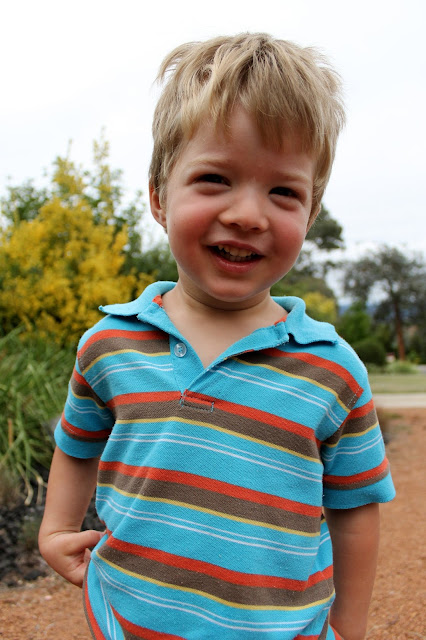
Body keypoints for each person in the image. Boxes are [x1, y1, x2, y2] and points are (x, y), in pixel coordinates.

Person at [39, 33, 395, 640]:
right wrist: (54, 529)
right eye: (214, 178)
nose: (248, 215)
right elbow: (77, 443)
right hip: (128, 618)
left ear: (310, 216)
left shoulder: (333, 370)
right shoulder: (109, 344)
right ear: (159, 197)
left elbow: (355, 508)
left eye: (283, 192)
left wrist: (350, 627)